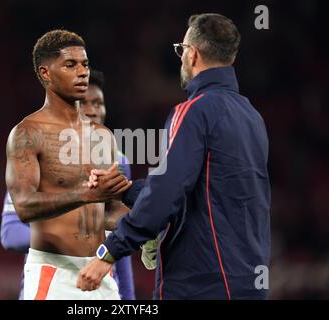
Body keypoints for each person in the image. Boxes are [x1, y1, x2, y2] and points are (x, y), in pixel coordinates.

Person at [77, 13, 271, 300]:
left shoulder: (194, 112)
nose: (180, 58)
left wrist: (110, 251)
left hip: (200, 283)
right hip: (248, 283)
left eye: (181, 50)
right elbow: (206, 195)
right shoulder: (252, 117)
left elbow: (167, 195)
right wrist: (127, 190)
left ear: (192, 55)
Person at [5, 29, 132, 300]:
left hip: (101, 273)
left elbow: (108, 213)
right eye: (70, 65)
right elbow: (25, 206)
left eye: (85, 64)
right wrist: (85, 195)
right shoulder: (28, 133)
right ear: (46, 73)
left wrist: (145, 217)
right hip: (53, 274)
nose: (82, 72)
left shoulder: (103, 137)